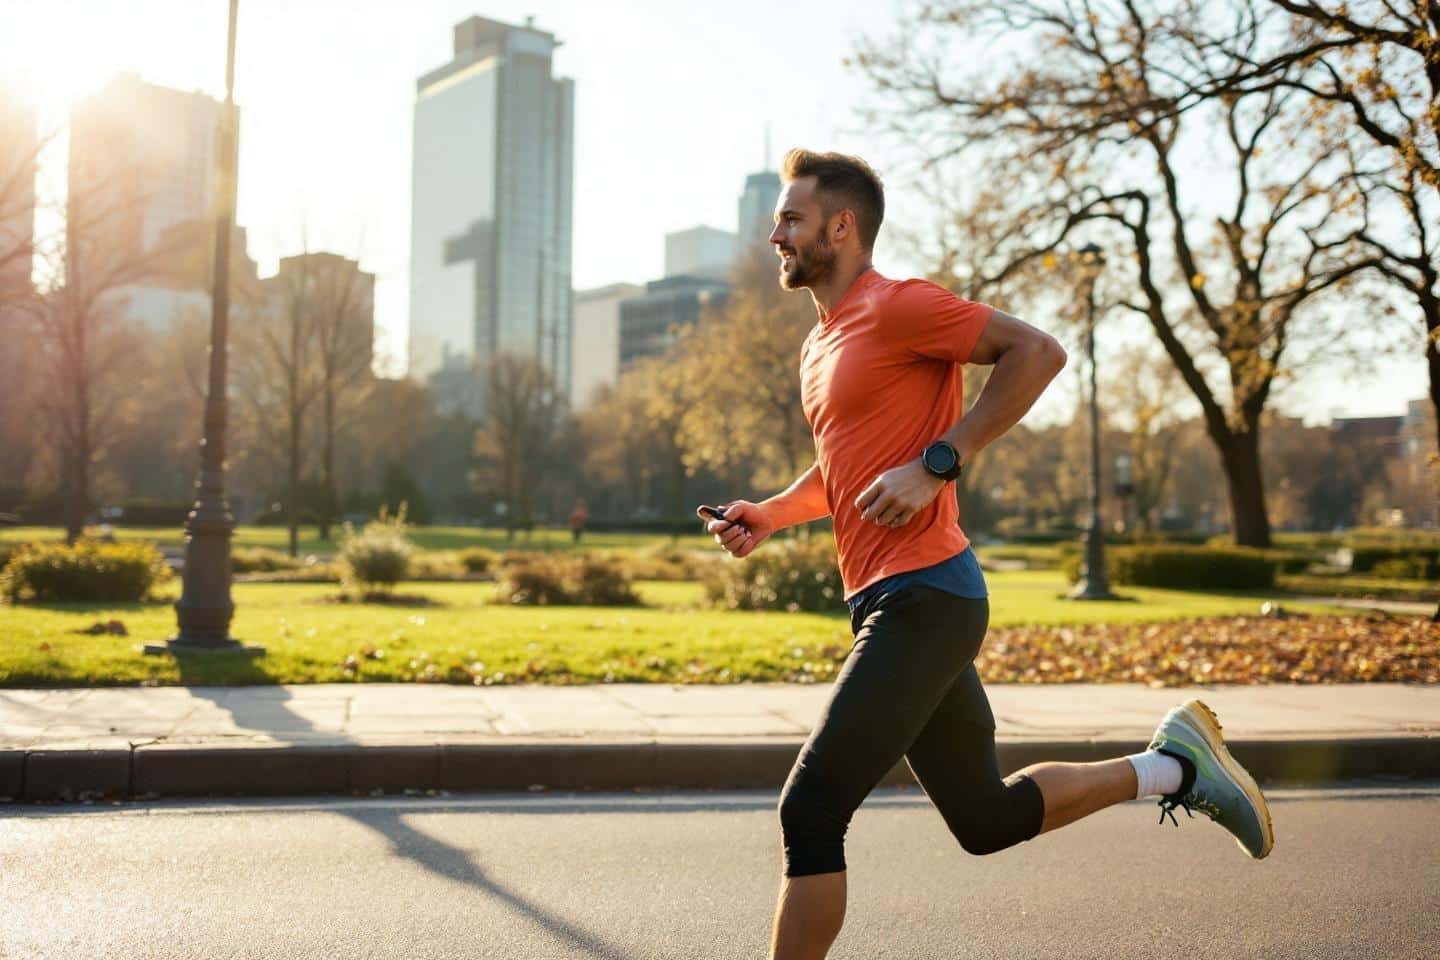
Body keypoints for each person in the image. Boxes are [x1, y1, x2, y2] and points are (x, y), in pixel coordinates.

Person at [698, 149, 1273, 960]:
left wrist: (942, 461)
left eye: (791, 219)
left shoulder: (898, 306)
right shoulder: (819, 346)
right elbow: (844, 473)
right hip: (895, 601)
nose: (776, 234)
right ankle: (1172, 767)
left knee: (811, 809)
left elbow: (1037, 351)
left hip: (925, 596)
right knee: (985, 820)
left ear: (842, 226)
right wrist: (771, 513)